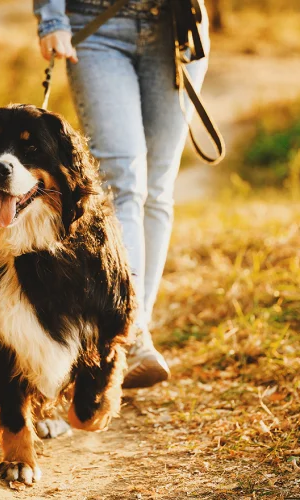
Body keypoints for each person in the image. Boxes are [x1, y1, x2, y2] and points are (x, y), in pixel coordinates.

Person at [33, 0, 209, 389]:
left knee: (158, 190)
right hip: (98, 23)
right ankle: (132, 336)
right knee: (123, 184)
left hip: (178, 25)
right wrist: (52, 19)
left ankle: (124, 336)